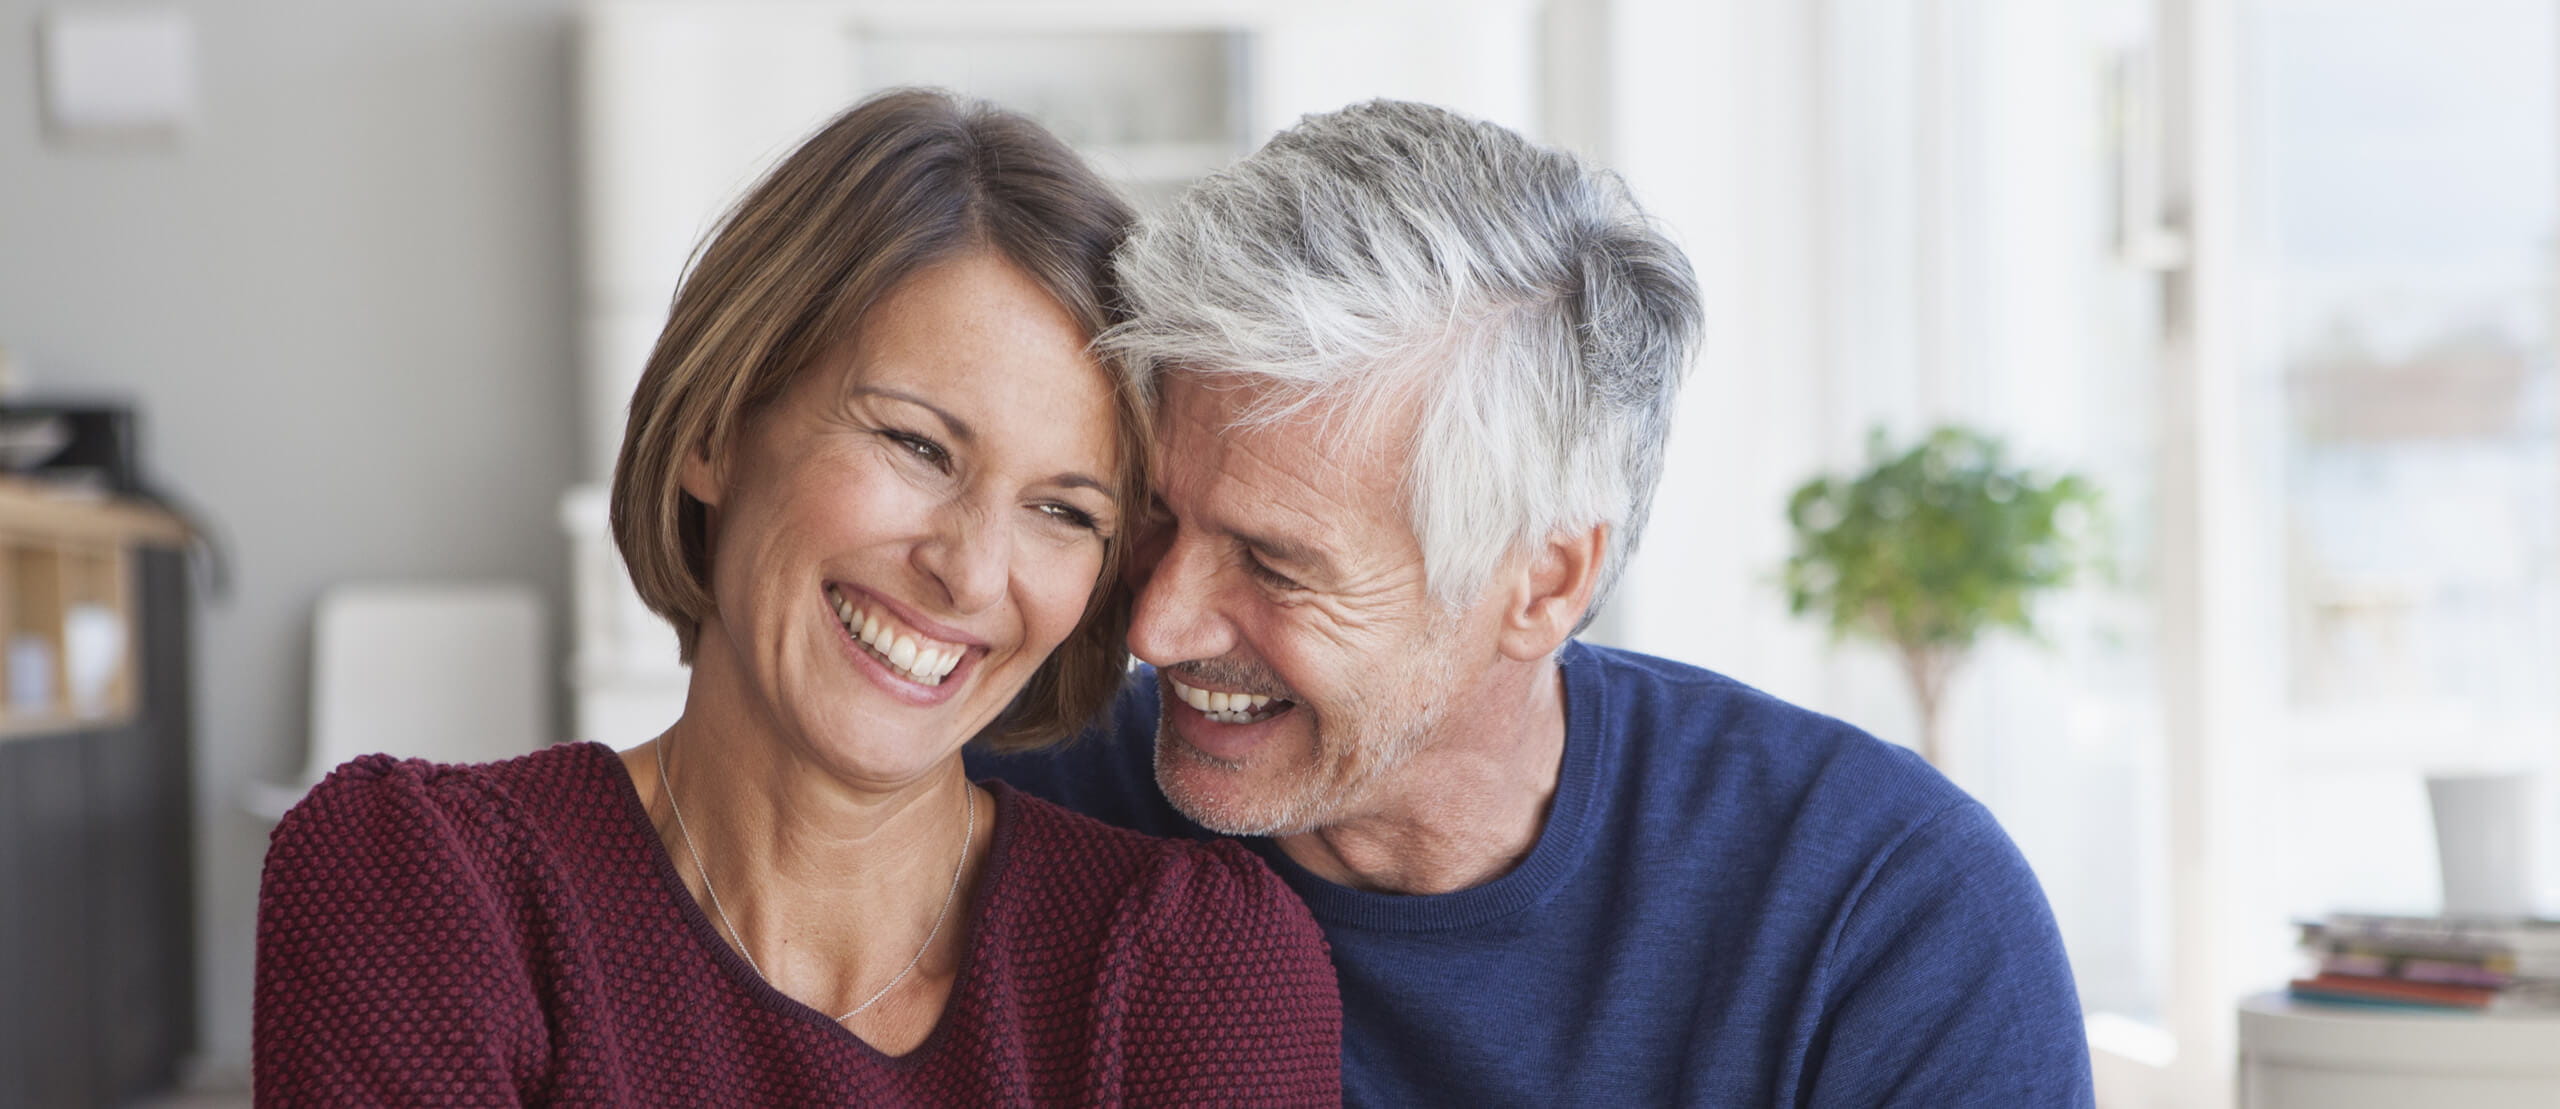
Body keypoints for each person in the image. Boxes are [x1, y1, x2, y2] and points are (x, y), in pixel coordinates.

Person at [973, 99, 2095, 1105]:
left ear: (1546, 582)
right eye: (1157, 517)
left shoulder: (1882, 910)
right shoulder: (1001, 820)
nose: (1155, 626)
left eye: (1274, 565)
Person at [255, 89, 1341, 1106]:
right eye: (916, 444)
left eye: (1064, 511)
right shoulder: (426, 892)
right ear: (715, 430)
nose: (969, 570)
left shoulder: (1194, 964)